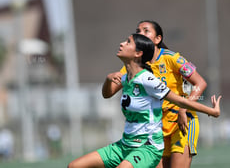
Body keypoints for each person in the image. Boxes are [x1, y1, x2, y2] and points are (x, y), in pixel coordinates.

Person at [68, 33, 221, 168]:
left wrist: (212, 112)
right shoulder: (125, 77)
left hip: (147, 148)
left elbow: (181, 101)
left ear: (138, 53)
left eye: (128, 42)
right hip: (125, 145)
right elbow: (106, 94)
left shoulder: (148, 79)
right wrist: (108, 79)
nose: (121, 43)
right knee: (74, 165)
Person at [103, 20, 207, 168]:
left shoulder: (172, 58)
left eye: (146, 31)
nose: (141, 34)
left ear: (158, 39)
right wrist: (109, 79)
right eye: (138, 31)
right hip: (156, 129)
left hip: (182, 123)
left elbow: (200, 83)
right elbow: (109, 92)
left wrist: (184, 109)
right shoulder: (133, 65)